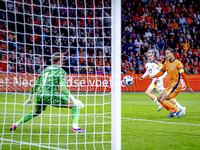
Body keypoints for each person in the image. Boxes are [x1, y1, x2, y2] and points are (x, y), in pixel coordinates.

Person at [9, 53, 85, 133]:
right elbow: (62, 88)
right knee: (75, 106)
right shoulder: (61, 71)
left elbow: (34, 86)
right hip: (51, 95)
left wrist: (30, 99)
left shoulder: (45, 70)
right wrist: (74, 99)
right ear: (61, 60)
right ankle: (75, 127)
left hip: (40, 95)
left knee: (36, 112)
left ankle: (15, 124)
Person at [150, 48, 193, 118]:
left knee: (162, 99)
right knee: (158, 98)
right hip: (171, 85)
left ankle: (178, 110)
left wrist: (188, 87)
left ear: (172, 54)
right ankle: (172, 112)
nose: (166, 55)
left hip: (176, 85)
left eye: (167, 53)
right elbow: (161, 72)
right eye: (165, 53)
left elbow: (184, 76)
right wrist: (153, 76)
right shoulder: (166, 62)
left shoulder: (178, 63)